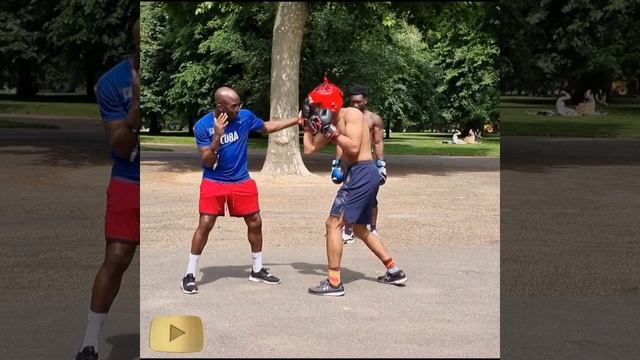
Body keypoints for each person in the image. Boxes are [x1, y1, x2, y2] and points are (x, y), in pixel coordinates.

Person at [180, 86, 303, 294]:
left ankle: (257, 269)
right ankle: (189, 274)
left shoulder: (244, 117)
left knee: (255, 221)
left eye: (239, 104)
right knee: (206, 223)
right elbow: (208, 162)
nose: (239, 108)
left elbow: (266, 127)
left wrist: (295, 121)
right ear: (221, 107)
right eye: (235, 105)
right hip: (214, 181)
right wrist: (217, 137)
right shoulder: (203, 126)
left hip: (241, 180)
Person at [302, 77, 407, 296]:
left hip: (363, 172)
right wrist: (306, 126)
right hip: (359, 175)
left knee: (333, 224)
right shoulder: (330, 122)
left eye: (318, 107)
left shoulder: (352, 114)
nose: (316, 110)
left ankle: (333, 283)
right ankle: (394, 270)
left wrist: (332, 132)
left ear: (330, 105)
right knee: (359, 228)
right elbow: (310, 149)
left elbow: (354, 146)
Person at [76, 19, 140, 360]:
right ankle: (90, 341)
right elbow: (117, 146)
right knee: (116, 258)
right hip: (130, 178)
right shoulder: (113, 83)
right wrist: (135, 113)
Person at [332, 84, 386, 244]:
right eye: (353, 101)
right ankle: (348, 229)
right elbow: (340, 140)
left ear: (366, 101)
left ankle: (373, 227)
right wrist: (337, 162)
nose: (355, 105)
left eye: (359, 102)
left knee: (371, 198)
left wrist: (381, 163)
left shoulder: (373, 119)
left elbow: (378, 142)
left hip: (366, 162)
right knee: (347, 196)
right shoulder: (345, 117)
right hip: (349, 162)